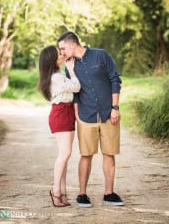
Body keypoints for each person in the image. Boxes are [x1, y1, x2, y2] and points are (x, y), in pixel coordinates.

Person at [58, 31, 124, 207]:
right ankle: (82, 194)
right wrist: (78, 115)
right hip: (86, 116)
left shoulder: (100, 55)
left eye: (63, 48)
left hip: (109, 114)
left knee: (109, 154)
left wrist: (115, 108)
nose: (62, 52)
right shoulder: (69, 65)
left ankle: (109, 194)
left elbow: (115, 80)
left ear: (72, 44)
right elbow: (74, 91)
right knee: (86, 155)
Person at [38, 45, 81, 207]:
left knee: (65, 155)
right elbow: (76, 87)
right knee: (65, 154)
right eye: (59, 54)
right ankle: (56, 190)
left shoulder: (58, 75)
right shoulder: (56, 77)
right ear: (52, 60)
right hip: (61, 113)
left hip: (66, 112)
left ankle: (62, 192)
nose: (62, 54)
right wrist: (72, 69)